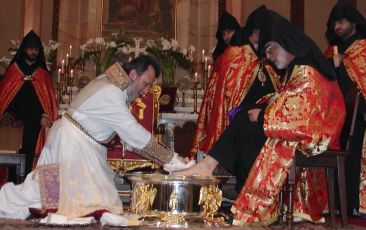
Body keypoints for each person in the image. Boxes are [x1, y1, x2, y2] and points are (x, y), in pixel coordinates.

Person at [175, 10, 346, 225]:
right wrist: (260, 110)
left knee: (248, 126)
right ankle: (221, 176)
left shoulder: (306, 70)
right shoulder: (298, 66)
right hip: (305, 127)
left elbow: (299, 113)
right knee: (245, 124)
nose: (269, 56)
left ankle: (221, 176)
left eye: (270, 49)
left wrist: (263, 114)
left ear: (284, 44)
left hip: (318, 135)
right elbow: (289, 102)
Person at [0, 55, 194, 220]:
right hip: (73, 146)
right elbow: (135, 136)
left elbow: (126, 133)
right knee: (98, 204)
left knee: (41, 196)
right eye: (146, 84)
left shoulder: (110, 81)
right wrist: (172, 160)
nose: (145, 92)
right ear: (133, 75)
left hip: (65, 139)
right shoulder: (112, 93)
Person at [189, 6, 280, 159]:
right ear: (249, 33)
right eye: (255, 34)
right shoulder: (236, 53)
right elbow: (229, 94)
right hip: (241, 124)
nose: (258, 38)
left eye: (261, 34)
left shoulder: (267, 54)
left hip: (263, 125)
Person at [324, 0, 366, 216]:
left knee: (352, 151)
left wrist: (339, 69)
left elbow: (355, 86)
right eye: (334, 23)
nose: (336, 27)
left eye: (340, 22)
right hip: (332, 114)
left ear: (353, 23)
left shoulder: (363, 48)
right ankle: (328, 201)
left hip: (358, 116)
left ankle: (348, 203)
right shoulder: (333, 49)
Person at [0, 30, 58, 184]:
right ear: (24, 49)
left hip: (36, 124)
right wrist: (7, 115)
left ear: (39, 51)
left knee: (31, 155)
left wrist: (46, 115)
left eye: (36, 49)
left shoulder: (43, 74)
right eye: (30, 48)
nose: (32, 52)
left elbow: (49, 101)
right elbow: (5, 98)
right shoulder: (13, 70)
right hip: (14, 123)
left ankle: (30, 188)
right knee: (13, 156)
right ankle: (11, 187)